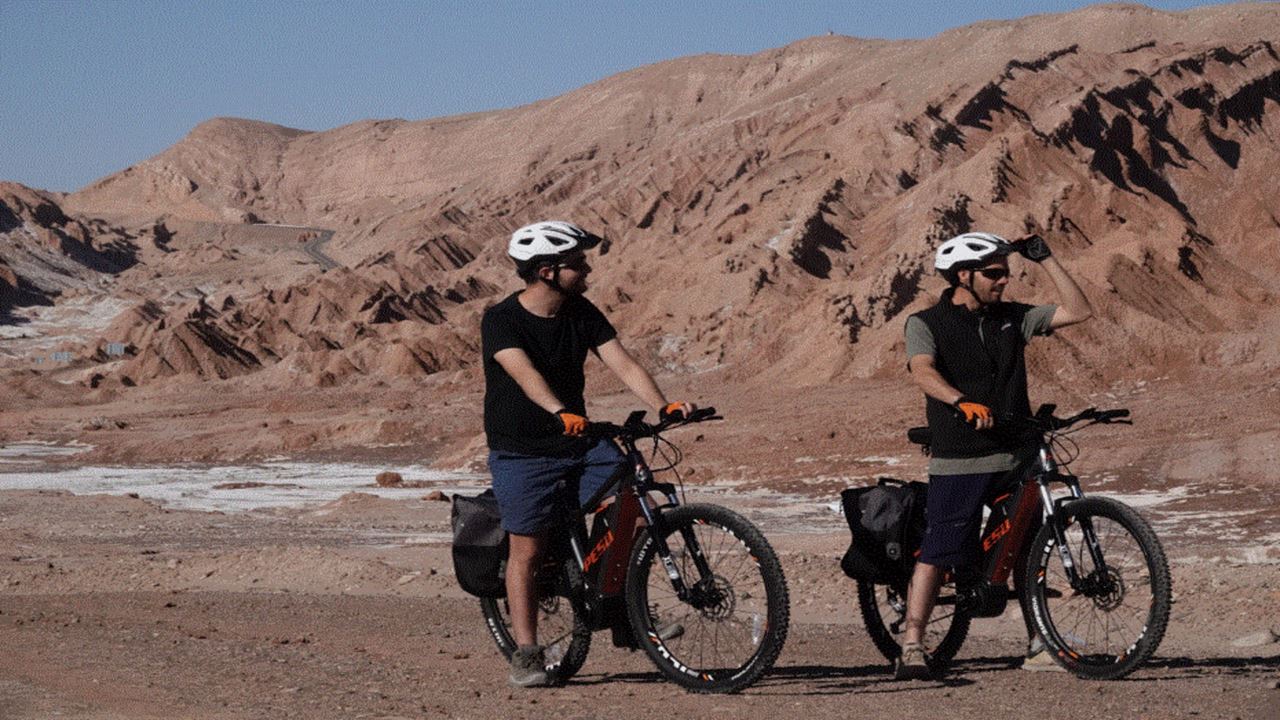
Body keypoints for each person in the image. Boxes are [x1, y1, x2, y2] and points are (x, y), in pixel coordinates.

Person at [481, 220, 694, 688]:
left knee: (636, 510)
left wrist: (665, 404)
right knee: (528, 550)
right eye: (577, 263)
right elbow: (523, 372)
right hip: (524, 451)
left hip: (577, 440)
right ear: (546, 272)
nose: (587, 268)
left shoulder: (581, 311)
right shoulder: (501, 320)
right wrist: (559, 410)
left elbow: (620, 360)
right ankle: (527, 651)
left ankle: (625, 613)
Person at [897, 231, 1093, 680]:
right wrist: (958, 400)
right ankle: (911, 644)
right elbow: (922, 371)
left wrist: (1047, 260)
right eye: (993, 273)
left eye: (1006, 272)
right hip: (961, 458)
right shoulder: (926, 322)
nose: (1003, 281)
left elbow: (1080, 311)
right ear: (962, 275)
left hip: (1016, 457)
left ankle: (1039, 641)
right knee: (939, 549)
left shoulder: (1013, 319)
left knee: (1027, 548)